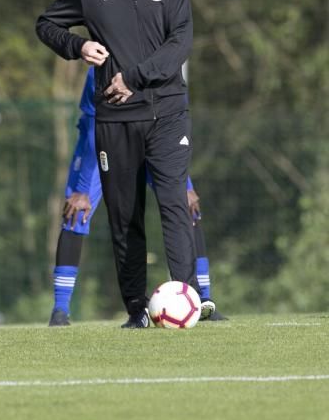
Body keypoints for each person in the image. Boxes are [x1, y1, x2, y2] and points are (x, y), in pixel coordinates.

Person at [36, 0, 199, 329]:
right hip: (114, 120)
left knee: (173, 205)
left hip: (166, 114)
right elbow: (46, 24)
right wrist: (77, 48)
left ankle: (184, 297)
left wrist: (135, 77)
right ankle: (135, 310)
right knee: (125, 216)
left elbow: (180, 42)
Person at [48, 67, 224, 326]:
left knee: (186, 207)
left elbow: (175, 124)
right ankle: (60, 310)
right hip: (104, 141)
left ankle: (204, 301)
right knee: (76, 213)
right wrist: (83, 189)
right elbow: (91, 129)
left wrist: (184, 184)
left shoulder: (164, 68)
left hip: (155, 141)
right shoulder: (97, 72)